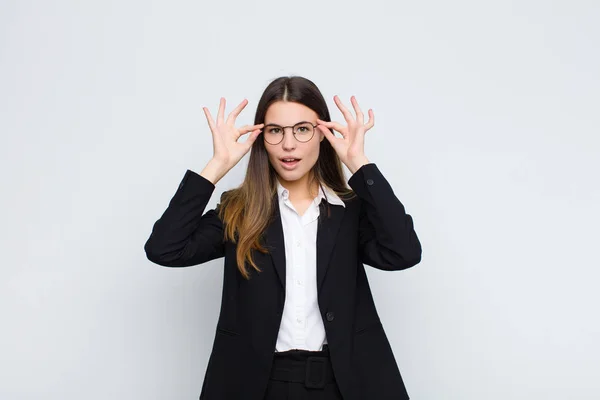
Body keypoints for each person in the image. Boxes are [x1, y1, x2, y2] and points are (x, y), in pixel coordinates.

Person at [144, 76, 422, 400]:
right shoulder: (240, 211)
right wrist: (217, 165)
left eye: (302, 129)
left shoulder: (349, 211)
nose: (288, 145)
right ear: (262, 137)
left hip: (342, 383)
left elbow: (404, 252)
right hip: (259, 385)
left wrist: (359, 163)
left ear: (322, 134)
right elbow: (165, 249)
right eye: (276, 131)